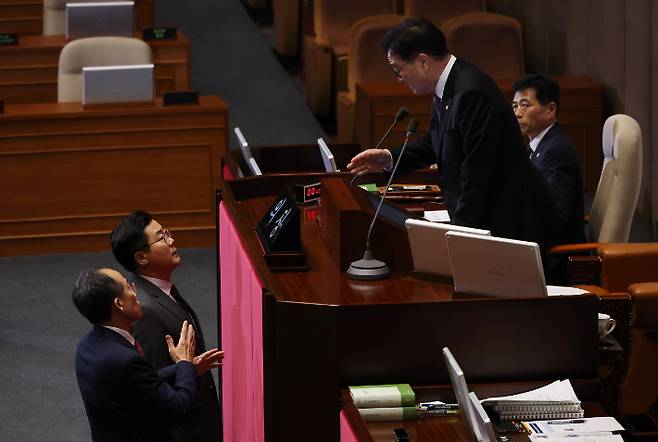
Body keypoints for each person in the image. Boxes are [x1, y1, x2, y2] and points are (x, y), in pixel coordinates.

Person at [347, 17, 559, 250]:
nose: (399, 80)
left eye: (399, 70)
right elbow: (436, 142)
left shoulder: (470, 92)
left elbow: (478, 175)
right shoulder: (448, 85)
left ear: (423, 62)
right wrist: (388, 158)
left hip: (509, 226)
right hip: (487, 218)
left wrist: (457, 239)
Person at [111, 211, 222, 442]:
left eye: (167, 233)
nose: (171, 240)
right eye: (162, 237)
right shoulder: (147, 311)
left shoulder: (160, 289)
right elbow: (153, 386)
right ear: (141, 258)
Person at [73, 267, 198, 442]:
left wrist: (183, 369)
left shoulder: (86, 346)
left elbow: (136, 382)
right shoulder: (126, 360)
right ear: (119, 304)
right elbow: (180, 408)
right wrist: (185, 362)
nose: (135, 290)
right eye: (128, 286)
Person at [512, 74, 586, 244]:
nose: (517, 113)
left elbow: (556, 219)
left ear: (550, 109)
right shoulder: (537, 146)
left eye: (525, 105)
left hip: (555, 257)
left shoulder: (556, 152)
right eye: (515, 106)